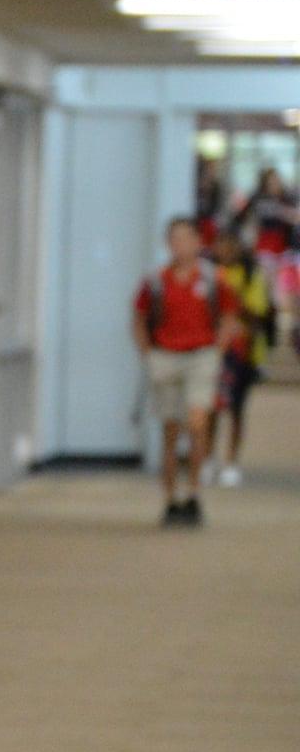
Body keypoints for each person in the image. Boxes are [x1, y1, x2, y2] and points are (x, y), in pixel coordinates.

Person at [133, 217, 240, 527]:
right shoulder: (156, 281)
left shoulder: (213, 278)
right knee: (170, 431)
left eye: (185, 238)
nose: (180, 245)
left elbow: (229, 316)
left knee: (197, 422)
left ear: (197, 242)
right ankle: (170, 499)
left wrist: (218, 350)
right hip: (166, 356)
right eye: (174, 239)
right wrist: (148, 353)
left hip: (200, 355)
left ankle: (194, 493)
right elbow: (139, 318)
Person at [212, 228, 273, 487]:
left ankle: (231, 462)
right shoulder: (210, 272)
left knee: (236, 409)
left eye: (230, 245)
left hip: (243, 352)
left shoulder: (250, 274)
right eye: (221, 245)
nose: (225, 251)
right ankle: (207, 458)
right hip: (214, 350)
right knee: (210, 409)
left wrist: (231, 296)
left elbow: (258, 312)